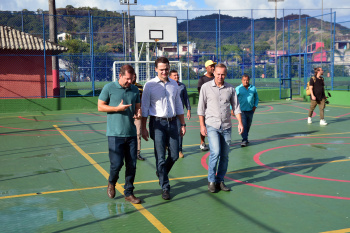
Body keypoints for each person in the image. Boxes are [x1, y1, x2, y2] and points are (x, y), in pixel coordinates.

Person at [141, 57, 186, 200]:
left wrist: (183, 124)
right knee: (160, 156)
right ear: (156, 69)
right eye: (161, 69)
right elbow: (145, 108)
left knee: (173, 155)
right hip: (157, 123)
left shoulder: (174, 84)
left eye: (166, 69)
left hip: (173, 123)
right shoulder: (149, 85)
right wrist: (143, 127)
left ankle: (161, 172)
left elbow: (178, 104)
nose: (164, 72)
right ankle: (165, 187)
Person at [98, 64, 142, 204]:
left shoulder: (135, 89)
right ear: (120, 76)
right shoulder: (109, 88)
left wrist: (138, 114)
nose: (130, 82)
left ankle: (129, 192)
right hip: (115, 134)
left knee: (132, 164)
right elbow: (100, 106)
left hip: (131, 134)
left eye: (132, 79)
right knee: (116, 164)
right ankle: (111, 182)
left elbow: (137, 108)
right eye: (127, 79)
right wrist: (117, 108)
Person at [197, 63, 243, 193]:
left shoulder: (230, 89)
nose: (220, 77)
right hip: (212, 125)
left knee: (225, 155)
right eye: (218, 74)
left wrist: (240, 123)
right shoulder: (206, 87)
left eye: (223, 74)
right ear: (214, 73)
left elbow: (236, 107)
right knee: (215, 152)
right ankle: (211, 180)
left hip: (226, 126)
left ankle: (220, 180)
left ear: (225, 74)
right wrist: (202, 125)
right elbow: (201, 109)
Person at [169, 70, 191, 158]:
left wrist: (188, 109)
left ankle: (179, 150)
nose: (176, 77)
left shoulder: (182, 86)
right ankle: (169, 147)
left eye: (177, 75)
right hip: (169, 113)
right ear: (170, 77)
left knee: (179, 131)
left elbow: (186, 98)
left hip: (179, 113)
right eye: (174, 76)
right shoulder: (168, 86)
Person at [197, 60, 216, 151]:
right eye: (211, 66)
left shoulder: (216, 78)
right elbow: (201, 94)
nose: (213, 67)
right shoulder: (202, 80)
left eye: (213, 66)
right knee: (204, 125)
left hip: (215, 106)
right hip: (205, 107)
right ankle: (202, 142)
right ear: (206, 68)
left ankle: (214, 143)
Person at [235, 74, 259, 147]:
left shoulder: (253, 88)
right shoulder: (238, 88)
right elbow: (234, 99)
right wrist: (232, 108)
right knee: (244, 125)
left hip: (250, 110)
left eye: (247, 80)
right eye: (244, 80)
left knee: (248, 125)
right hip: (241, 111)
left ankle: (245, 137)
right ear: (242, 80)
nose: (246, 81)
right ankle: (244, 140)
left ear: (249, 80)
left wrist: (255, 106)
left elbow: (256, 98)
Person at [132, 74, 145, 161]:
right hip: (127, 113)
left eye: (135, 77)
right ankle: (127, 153)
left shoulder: (140, 86)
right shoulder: (124, 86)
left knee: (138, 133)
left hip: (138, 113)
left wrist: (140, 110)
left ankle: (137, 153)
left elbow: (142, 99)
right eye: (132, 76)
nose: (134, 78)